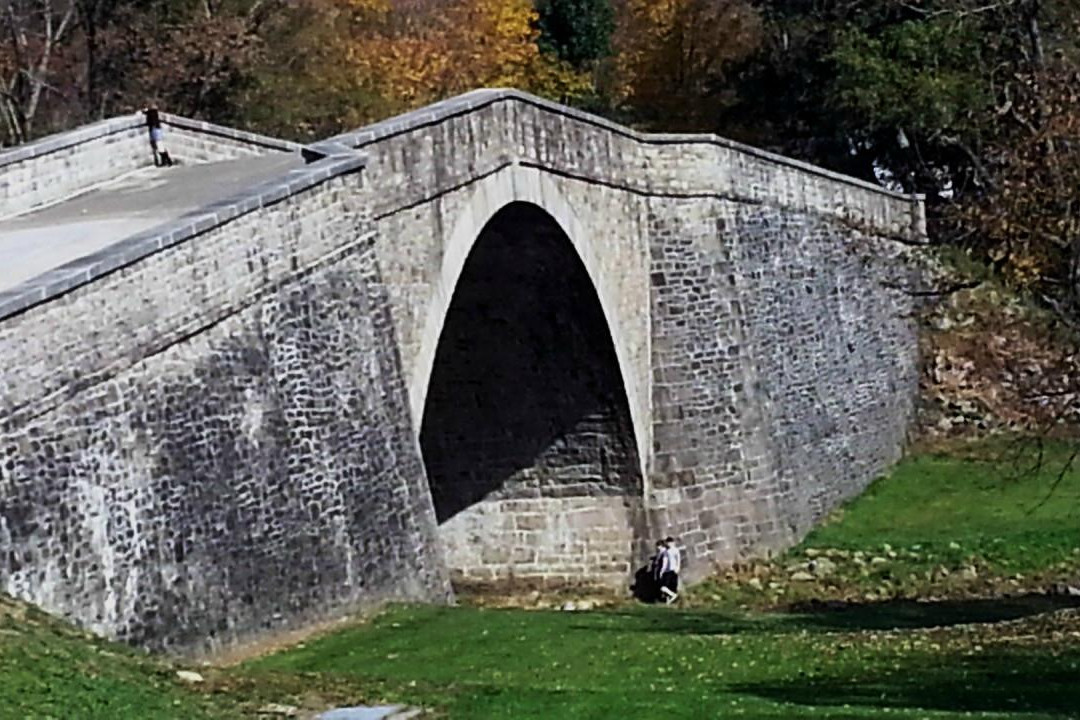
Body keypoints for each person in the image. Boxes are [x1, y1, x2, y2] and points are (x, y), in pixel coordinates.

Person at [659, 536, 680, 604]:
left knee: (672, 586)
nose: (669, 544)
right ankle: (672, 597)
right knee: (664, 587)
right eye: (668, 543)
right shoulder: (666, 551)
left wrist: (678, 567)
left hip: (673, 570)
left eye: (670, 543)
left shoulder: (675, 550)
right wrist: (662, 571)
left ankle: (672, 598)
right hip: (667, 571)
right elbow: (665, 562)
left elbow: (678, 559)